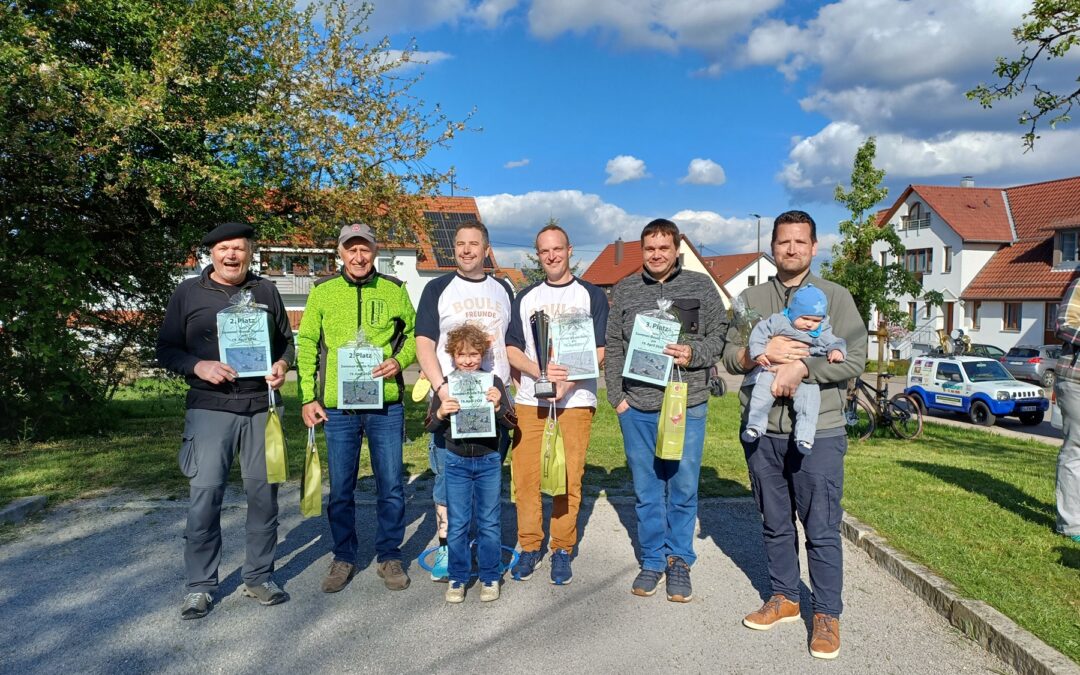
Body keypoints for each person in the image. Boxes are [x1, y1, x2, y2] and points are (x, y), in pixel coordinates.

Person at [722, 210, 866, 660]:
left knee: (821, 525)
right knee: (775, 520)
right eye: (784, 242)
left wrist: (804, 365)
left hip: (818, 430)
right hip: (763, 430)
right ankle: (784, 597)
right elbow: (728, 357)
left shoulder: (836, 298)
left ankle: (826, 614)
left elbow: (855, 357)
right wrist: (756, 354)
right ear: (773, 247)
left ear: (814, 247)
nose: (791, 249)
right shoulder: (751, 298)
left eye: (800, 242)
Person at [156, 221, 294, 620]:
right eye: (223, 248)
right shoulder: (188, 293)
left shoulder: (266, 291)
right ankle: (200, 586)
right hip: (210, 408)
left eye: (239, 248)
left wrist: (283, 365)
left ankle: (259, 577)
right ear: (211, 254)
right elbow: (166, 349)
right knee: (205, 498)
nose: (231, 254)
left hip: (261, 408)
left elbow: (287, 342)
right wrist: (199, 365)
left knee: (264, 498)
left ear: (251, 252)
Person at [604, 218, 727, 603]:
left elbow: (719, 334)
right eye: (650, 248)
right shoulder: (625, 290)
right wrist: (617, 399)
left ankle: (679, 560)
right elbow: (613, 344)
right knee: (646, 488)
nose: (657, 255)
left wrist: (694, 355)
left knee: (683, 486)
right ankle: (653, 559)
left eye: (664, 248)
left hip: (686, 403)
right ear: (643, 250)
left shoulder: (700, 286)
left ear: (677, 250)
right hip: (637, 405)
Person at [297, 223, 417, 594]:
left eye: (365, 249)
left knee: (392, 485)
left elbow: (414, 335)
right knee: (342, 488)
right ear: (340, 253)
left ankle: (389, 555)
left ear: (375, 252)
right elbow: (306, 343)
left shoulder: (395, 290)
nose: (359, 257)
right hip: (338, 409)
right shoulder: (322, 291)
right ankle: (344, 555)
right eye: (352, 250)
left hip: (385, 406)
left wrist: (399, 362)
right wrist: (307, 396)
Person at [506, 224, 608, 585]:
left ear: (569, 250)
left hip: (576, 400)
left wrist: (568, 381)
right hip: (531, 400)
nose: (551, 256)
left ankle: (562, 548)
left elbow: (601, 349)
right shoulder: (526, 297)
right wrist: (540, 374)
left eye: (557, 249)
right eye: (544, 251)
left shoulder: (591, 295)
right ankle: (530, 544)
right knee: (527, 477)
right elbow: (512, 348)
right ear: (538, 255)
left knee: (568, 477)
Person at [414, 220, 514, 582]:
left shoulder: (503, 288)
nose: (467, 249)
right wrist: (441, 388)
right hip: (450, 400)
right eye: (460, 244)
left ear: (486, 249)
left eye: (474, 243)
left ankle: (482, 545)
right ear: (453, 248)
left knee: (487, 475)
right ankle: (448, 546)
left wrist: (510, 394)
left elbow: (511, 344)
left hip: (493, 399)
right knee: (447, 478)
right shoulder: (437, 288)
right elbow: (423, 342)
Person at [425, 324, 516, 603]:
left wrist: (499, 407)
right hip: (456, 462)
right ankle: (457, 577)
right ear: (452, 354)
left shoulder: (493, 382)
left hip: (488, 460)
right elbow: (429, 425)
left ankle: (489, 575)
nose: (468, 360)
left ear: (483, 354)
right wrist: (441, 411)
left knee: (489, 521)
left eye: (474, 354)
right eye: (462, 354)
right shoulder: (445, 385)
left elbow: (512, 422)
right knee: (458, 523)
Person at [741, 284, 847, 454]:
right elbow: (759, 332)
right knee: (761, 394)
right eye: (805, 318)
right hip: (773, 369)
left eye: (815, 320)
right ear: (794, 312)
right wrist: (759, 352)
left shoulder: (822, 330)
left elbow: (837, 341)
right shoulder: (778, 321)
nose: (810, 325)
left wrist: (837, 350)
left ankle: (805, 438)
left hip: (804, 376)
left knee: (809, 402)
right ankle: (755, 427)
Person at [1053, 278, 1080, 544]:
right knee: (1076, 447)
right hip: (1076, 379)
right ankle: (1071, 524)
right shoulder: (1079, 286)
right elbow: (1063, 325)